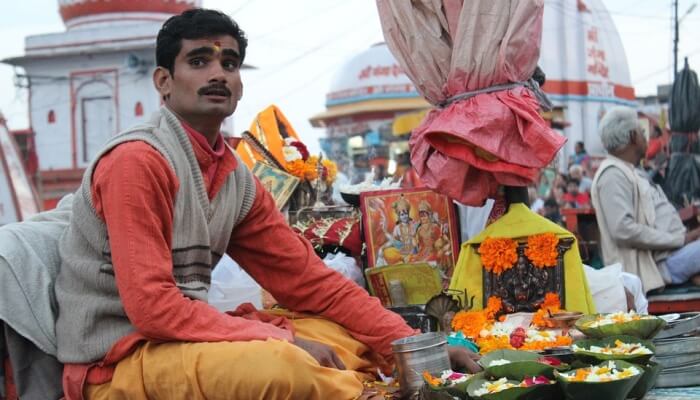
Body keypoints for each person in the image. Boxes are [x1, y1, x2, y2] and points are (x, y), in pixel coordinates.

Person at [51, 9, 479, 400]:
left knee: (342, 337)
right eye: (199, 61)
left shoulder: (235, 178)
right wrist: (279, 339)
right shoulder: (137, 162)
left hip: (180, 341)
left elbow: (311, 282)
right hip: (119, 360)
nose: (218, 73)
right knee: (282, 365)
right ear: (163, 81)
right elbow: (153, 309)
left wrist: (417, 348)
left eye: (229, 63)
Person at [591, 107, 700, 293]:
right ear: (633, 137)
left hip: (672, 255)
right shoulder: (613, 175)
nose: (645, 138)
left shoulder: (630, 171)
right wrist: (680, 239)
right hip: (658, 266)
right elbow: (622, 230)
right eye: (642, 133)